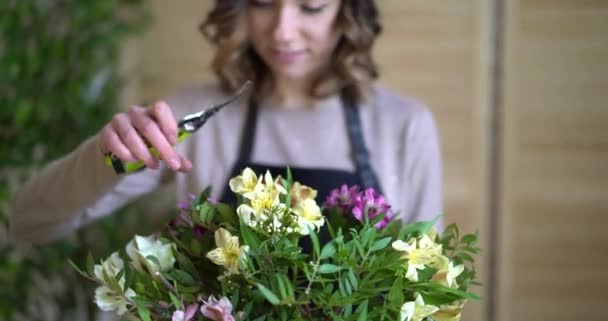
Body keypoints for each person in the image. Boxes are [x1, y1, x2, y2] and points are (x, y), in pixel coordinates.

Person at [10, 0, 443, 247]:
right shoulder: (196, 115)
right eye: (261, 2)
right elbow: (27, 221)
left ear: (349, 12)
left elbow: (425, 300)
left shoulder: (403, 128)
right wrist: (105, 158)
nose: (282, 32)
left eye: (311, 5)